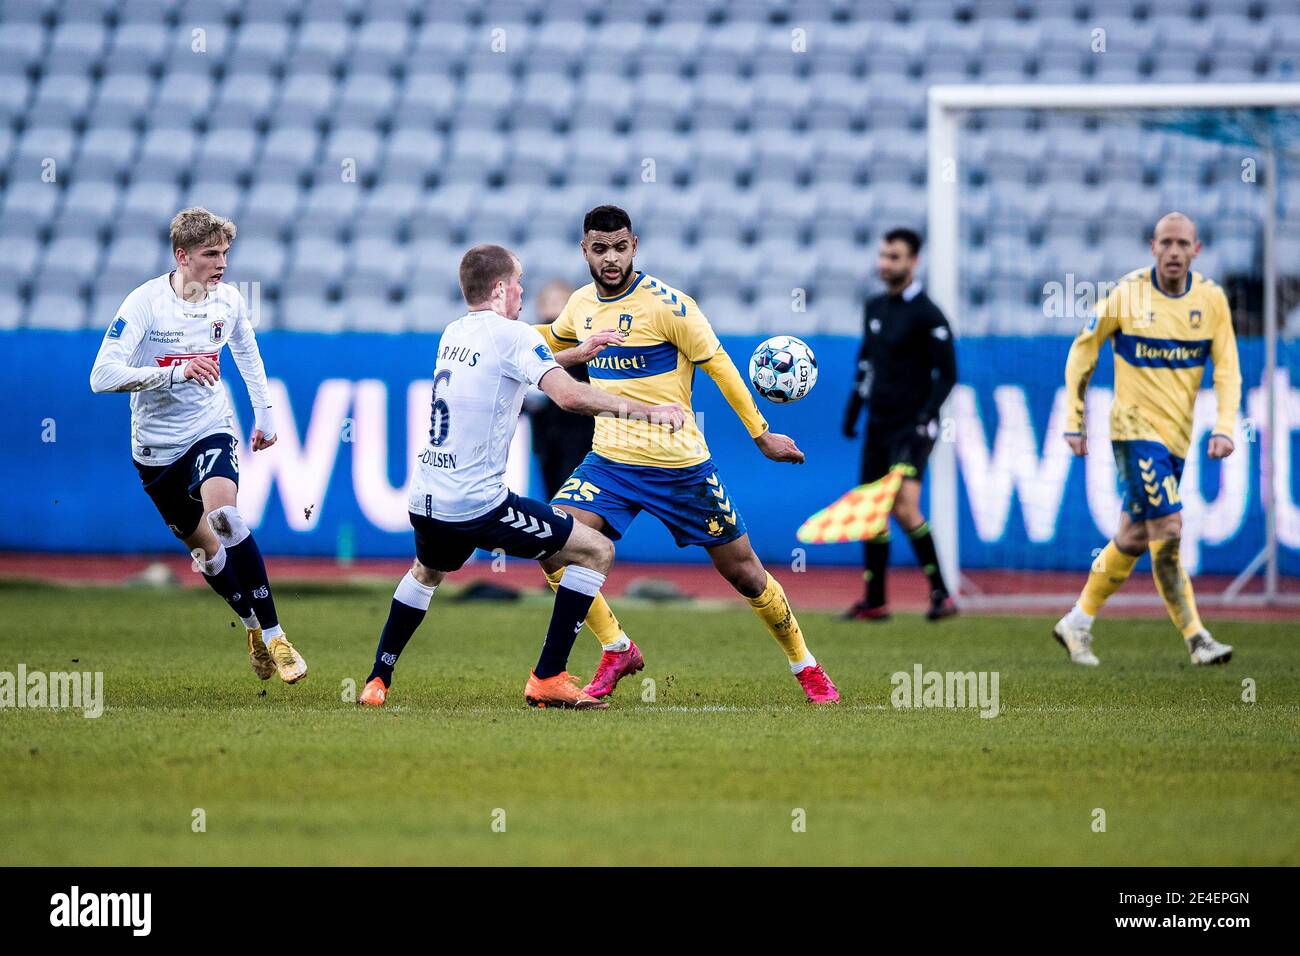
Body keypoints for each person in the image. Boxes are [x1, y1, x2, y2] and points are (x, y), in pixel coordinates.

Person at [534, 205, 840, 704]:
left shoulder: (670, 306)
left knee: (744, 572)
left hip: (680, 467)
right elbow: (549, 340)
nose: (610, 258)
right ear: (584, 250)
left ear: (634, 246)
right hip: (609, 462)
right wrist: (494, 334)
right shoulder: (580, 304)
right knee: (553, 544)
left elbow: (719, 365)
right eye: (599, 248)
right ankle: (617, 648)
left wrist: (761, 435)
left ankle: (805, 664)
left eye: (620, 247)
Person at [356, 244, 685, 708]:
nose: (522, 291)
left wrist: (576, 352)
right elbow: (568, 398)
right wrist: (647, 412)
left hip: (426, 497)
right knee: (595, 550)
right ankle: (548, 676)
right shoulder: (513, 335)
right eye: (518, 282)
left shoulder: (455, 331)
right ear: (498, 289)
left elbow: (511, 365)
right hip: (477, 505)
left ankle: (377, 680)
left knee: (426, 572)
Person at [90, 207, 307, 684]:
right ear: (182, 255)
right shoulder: (144, 303)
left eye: (226, 253)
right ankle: (252, 629)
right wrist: (175, 371)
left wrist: (265, 415)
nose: (222, 263)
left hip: (211, 426)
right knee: (207, 553)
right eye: (212, 254)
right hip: (155, 450)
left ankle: (276, 635)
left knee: (225, 516)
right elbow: (101, 376)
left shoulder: (227, 302)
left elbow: (247, 353)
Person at [1054, 212, 1240, 667]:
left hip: (1177, 441)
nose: (1173, 252)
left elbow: (1228, 368)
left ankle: (1077, 621)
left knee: (1133, 536)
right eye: (1165, 243)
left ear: (1196, 250)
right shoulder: (1128, 294)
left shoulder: (1212, 300)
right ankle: (1197, 638)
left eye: (1182, 244)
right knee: (1169, 528)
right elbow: (1084, 347)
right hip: (1133, 431)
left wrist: (1224, 426)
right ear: (1152, 248)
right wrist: (1075, 418)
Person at [841, 228, 958, 622]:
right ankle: (876, 601)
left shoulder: (928, 313)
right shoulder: (875, 307)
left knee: (905, 508)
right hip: (879, 422)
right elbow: (866, 360)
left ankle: (943, 594)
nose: (885, 264)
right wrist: (854, 407)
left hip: (913, 426)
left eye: (894, 257)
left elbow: (948, 373)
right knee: (872, 509)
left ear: (913, 262)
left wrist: (926, 416)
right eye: (883, 255)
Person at [527, 279, 596, 498]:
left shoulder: (584, 344)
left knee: (575, 500)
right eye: (548, 302)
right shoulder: (531, 343)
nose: (553, 308)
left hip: (580, 436)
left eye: (560, 302)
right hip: (546, 438)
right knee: (552, 497)